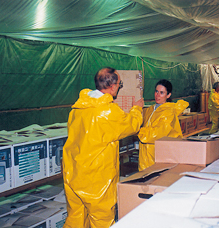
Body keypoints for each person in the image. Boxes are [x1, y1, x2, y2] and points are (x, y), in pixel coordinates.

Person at [62, 67, 144, 228]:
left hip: (73, 172)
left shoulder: (77, 108)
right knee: (102, 221)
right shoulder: (107, 110)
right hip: (97, 178)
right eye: (119, 85)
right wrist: (137, 109)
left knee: (75, 218)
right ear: (113, 87)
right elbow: (131, 125)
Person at [138, 79, 189, 171]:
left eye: (162, 93)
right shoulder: (150, 110)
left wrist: (137, 131)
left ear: (168, 95)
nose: (157, 95)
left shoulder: (168, 113)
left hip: (159, 157)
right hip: (145, 158)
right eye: (156, 91)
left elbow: (157, 133)